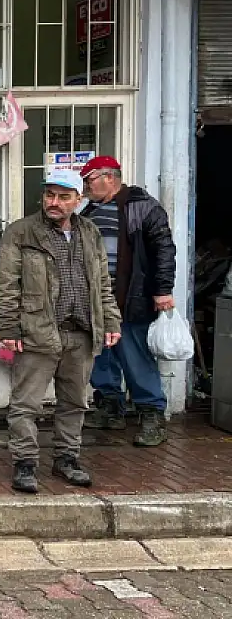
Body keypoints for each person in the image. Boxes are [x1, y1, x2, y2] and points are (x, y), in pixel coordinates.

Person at [0, 169, 122, 493]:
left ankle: (67, 458)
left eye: (64, 197)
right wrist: (9, 327)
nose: (54, 202)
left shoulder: (90, 232)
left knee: (75, 402)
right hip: (37, 330)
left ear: (78, 199)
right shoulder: (22, 232)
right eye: (49, 195)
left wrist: (110, 320)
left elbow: (103, 284)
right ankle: (25, 462)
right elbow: (7, 285)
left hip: (81, 332)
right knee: (25, 404)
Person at [79, 155, 177, 447]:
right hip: (95, 299)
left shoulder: (143, 207)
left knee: (135, 356)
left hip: (130, 296)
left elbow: (163, 250)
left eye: (89, 180)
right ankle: (110, 407)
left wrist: (163, 289)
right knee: (100, 355)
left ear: (109, 177)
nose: (86, 187)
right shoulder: (89, 210)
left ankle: (152, 415)